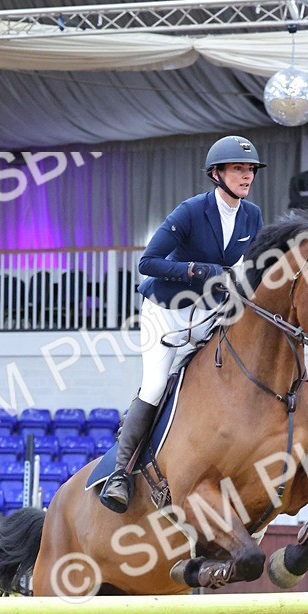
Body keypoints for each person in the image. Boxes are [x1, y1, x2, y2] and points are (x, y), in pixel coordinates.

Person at [98, 134, 265, 512]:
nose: (247, 175)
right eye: (238, 168)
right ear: (217, 174)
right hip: (167, 310)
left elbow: (247, 269)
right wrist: (198, 270)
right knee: (157, 383)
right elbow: (148, 262)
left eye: (250, 169)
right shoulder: (191, 211)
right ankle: (120, 473)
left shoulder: (252, 216)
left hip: (210, 312)